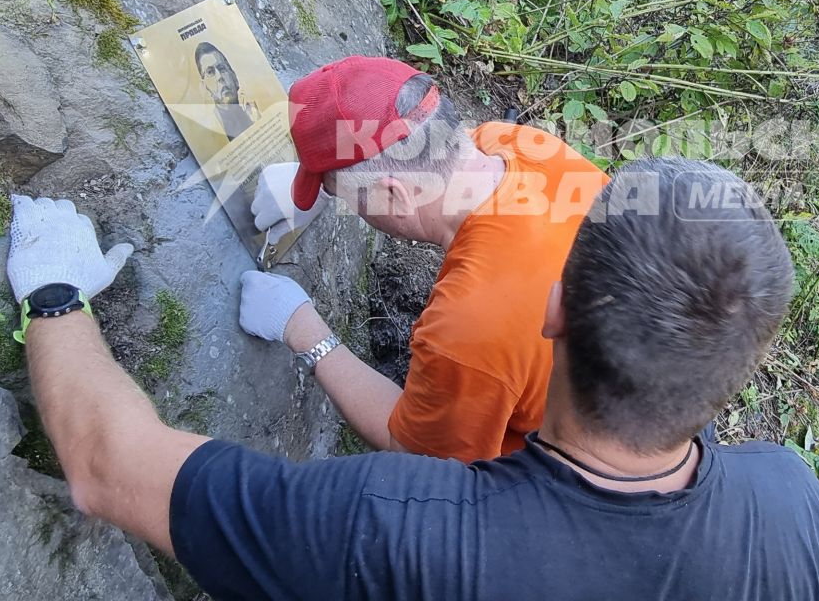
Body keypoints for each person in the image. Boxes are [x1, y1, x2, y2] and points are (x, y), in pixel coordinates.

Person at [10, 158, 819, 600]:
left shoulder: (401, 536)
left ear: (553, 308)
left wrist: (52, 295)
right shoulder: (793, 504)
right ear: (739, 364)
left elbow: (109, 466)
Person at [239, 56, 608, 462]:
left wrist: (304, 330)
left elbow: (412, 450)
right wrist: (328, 183)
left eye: (352, 201)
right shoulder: (512, 143)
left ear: (395, 196)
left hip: (582, 473)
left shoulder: (468, 327)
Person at [195, 41, 258, 138]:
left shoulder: (253, 112)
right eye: (210, 72)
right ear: (205, 86)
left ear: (234, 76)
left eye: (222, 68)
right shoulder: (213, 129)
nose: (219, 76)